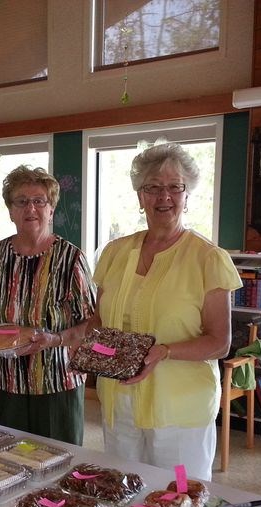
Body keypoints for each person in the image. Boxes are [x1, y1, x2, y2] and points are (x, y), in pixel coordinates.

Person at [90, 142, 242, 480]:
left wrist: (165, 351)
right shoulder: (115, 252)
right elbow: (98, 321)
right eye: (153, 188)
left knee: (178, 497)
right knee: (124, 492)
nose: (164, 196)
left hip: (179, 410)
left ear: (188, 195)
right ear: (140, 196)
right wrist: (80, 346)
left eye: (175, 187)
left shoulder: (209, 258)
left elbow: (219, 342)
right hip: (119, 400)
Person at [0, 165, 96, 445]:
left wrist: (55, 339)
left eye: (40, 201)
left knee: (59, 461)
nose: (31, 208)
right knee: (9, 458)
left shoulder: (71, 258)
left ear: (51, 209)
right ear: (11, 210)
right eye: (22, 201)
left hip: (57, 382)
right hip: (8, 381)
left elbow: (92, 323)